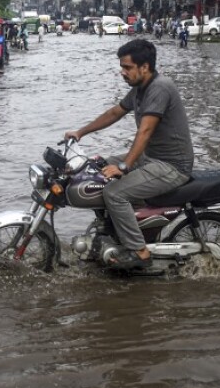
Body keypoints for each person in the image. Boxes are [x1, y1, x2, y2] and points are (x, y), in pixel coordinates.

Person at [62, 39, 194, 271]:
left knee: (114, 193)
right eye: (122, 67)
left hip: (171, 165)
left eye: (127, 67)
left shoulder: (160, 88)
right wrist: (80, 132)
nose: (122, 72)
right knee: (95, 165)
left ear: (144, 67)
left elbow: (145, 131)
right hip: (152, 157)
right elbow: (114, 113)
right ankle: (109, 230)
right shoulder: (140, 89)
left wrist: (124, 167)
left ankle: (140, 252)